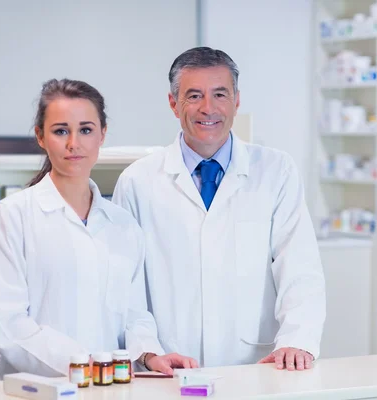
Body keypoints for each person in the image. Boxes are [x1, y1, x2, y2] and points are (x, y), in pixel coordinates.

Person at [112, 47, 326, 371]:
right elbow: (126, 286)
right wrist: (146, 350)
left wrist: (298, 338)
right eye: (194, 95)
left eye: (220, 94)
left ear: (237, 101)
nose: (208, 108)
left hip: (256, 366)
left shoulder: (276, 170)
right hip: (171, 367)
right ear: (173, 103)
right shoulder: (137, 182)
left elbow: (299, 266)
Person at [0, 79, 197, 380]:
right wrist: (82, 365)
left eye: (85, 130)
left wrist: (149, 355)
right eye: (60, 131)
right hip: (36, 388)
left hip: (108, 386)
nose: (74, 143)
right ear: (40, 137)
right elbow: (7, 323)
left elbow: (134, 315)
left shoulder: (122, 225)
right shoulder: (13, 216)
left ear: (102, 135)